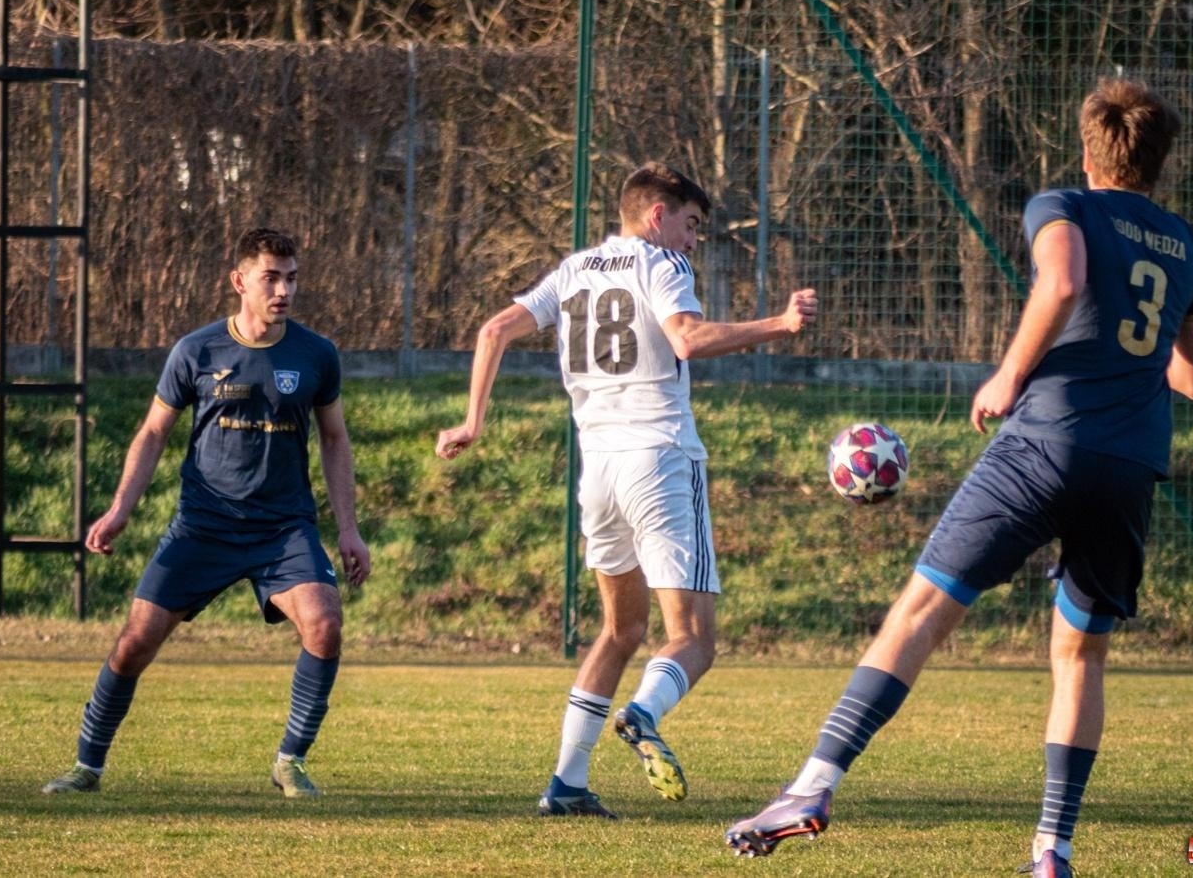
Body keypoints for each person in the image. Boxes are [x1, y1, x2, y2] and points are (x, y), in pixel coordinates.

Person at [725, 78, 1193, 878]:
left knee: (919, 612)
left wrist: (1009, 374)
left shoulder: (1064, 204)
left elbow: (1060, 283)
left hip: (1045, 440)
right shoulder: (1185, 244)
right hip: (1130, 462)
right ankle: (1051, 850)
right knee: (1079, 656)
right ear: (1159, 162)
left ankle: (811, 787)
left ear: (1090, 151)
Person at [436, 164, 817, 820]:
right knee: (693, 638)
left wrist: (473, 421)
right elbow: (688, 339)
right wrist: (779, 325)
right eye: (691, 225)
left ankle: (566, 782)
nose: (694, 241)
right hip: (660, 460)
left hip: (600, 471)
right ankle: (641, 713)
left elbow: (493, 329)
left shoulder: (575, 270)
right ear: (656, 216)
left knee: (621, 629)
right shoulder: (660, 263)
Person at [42, 228, 370, 798]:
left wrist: (348, 528)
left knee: (325, 624)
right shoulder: (196, 351)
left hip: (283, 528)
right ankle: (86, 767)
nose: (284, 290)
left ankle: (289, 760)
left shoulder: (317, 354)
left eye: (291, 277)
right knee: (135, 642)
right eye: (271, 277)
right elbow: (152, 431)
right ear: (240, 281)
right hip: (203, 525)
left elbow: (335, 440)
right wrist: (121, 507)